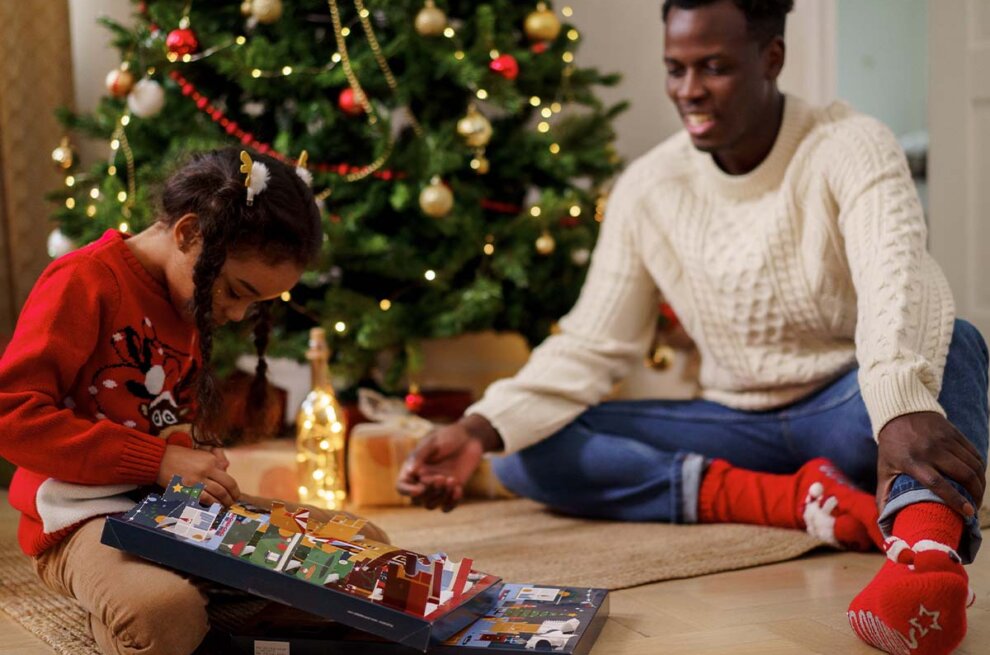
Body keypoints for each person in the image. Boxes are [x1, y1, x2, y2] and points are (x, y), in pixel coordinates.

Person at [397, 1, 989, 653]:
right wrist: (477, 427)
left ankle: (924, 557)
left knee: (956, 338)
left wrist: (899, 406)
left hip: (850, 408)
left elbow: (895, 278)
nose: (688, 91)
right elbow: (594, 344)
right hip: (733, 422)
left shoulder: (850, 144)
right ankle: (796, 500)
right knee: (518, 447)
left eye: (713, 67)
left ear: (772, 58)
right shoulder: (648, 187)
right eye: (674, 69)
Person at [0, 148, 328, 654]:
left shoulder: (185, 297)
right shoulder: (83, 281)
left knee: (350, 550)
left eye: (255, 304)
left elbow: (168, 418)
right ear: (189, 233)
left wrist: (193, 458)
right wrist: (159, 459)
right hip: (79, 517)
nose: (239, 316)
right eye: (236, 292)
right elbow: (11, 417)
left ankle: (207, 608)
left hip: (167, 511)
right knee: (162, 612)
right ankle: (151, 608)